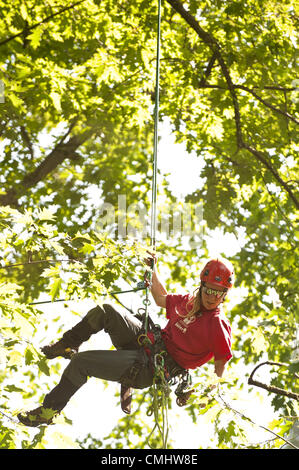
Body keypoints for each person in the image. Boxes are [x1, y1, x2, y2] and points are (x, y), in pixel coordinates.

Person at [17, 256, 234, 427]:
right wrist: (152, 268)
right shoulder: (188, 301)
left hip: (151, 367)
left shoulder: (217, 323)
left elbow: (221, 363)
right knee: (106, 311)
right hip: (148, 341)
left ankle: (48, 412)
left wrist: (208, 393)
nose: (213, 296)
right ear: (202, 284)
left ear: (225, 294)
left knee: (80, 363)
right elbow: (160, 298)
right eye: (210, 290)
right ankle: (68, 344)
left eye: (219, 293)